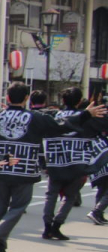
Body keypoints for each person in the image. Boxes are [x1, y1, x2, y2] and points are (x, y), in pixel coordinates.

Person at [0, 81, 106, 252]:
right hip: (24, 168)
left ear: (7, 97)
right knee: (19, 205)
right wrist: (85, 114)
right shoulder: (36, 118)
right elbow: (60, 125)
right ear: (26, 98)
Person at [40, 87, 100, 241]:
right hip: (76, 163)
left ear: (63, 100)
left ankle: (47, 227)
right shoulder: (86, 118)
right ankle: (57, 226)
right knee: (70, 196)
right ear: (80, 101)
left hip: (55, 162)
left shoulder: (54, 116)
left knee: (51, 195)